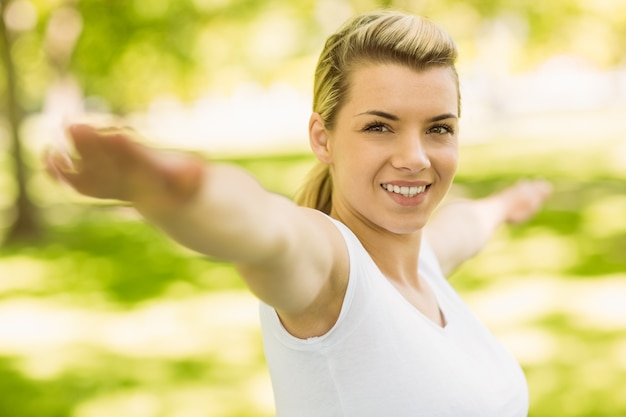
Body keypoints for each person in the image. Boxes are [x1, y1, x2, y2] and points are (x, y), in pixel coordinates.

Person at [46, 9, 552, 417]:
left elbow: (464, 227)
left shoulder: (420, 265)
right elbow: (266, 231)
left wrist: (505, 205)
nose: (416, 156)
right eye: (380, 127)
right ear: (322, 138)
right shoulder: (331, 272)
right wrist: (181, 194)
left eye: (438, 128)